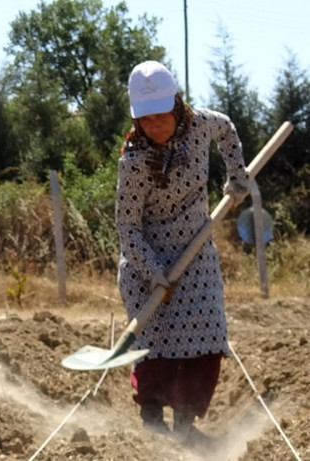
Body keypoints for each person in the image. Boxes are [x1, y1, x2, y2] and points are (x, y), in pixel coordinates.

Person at [115, 61, 249, 442]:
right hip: (148, 260)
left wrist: (237, 177)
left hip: (196, 255)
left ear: (176, 105)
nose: (154, 126)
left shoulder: (201, 124)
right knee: (153, 344)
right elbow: (127, 226)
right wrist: (154, 270)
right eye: (146, 119)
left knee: (205, 338)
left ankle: (186, 428)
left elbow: (227, 131)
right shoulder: (134, 162)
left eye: (161, 116)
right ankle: (153, 425)